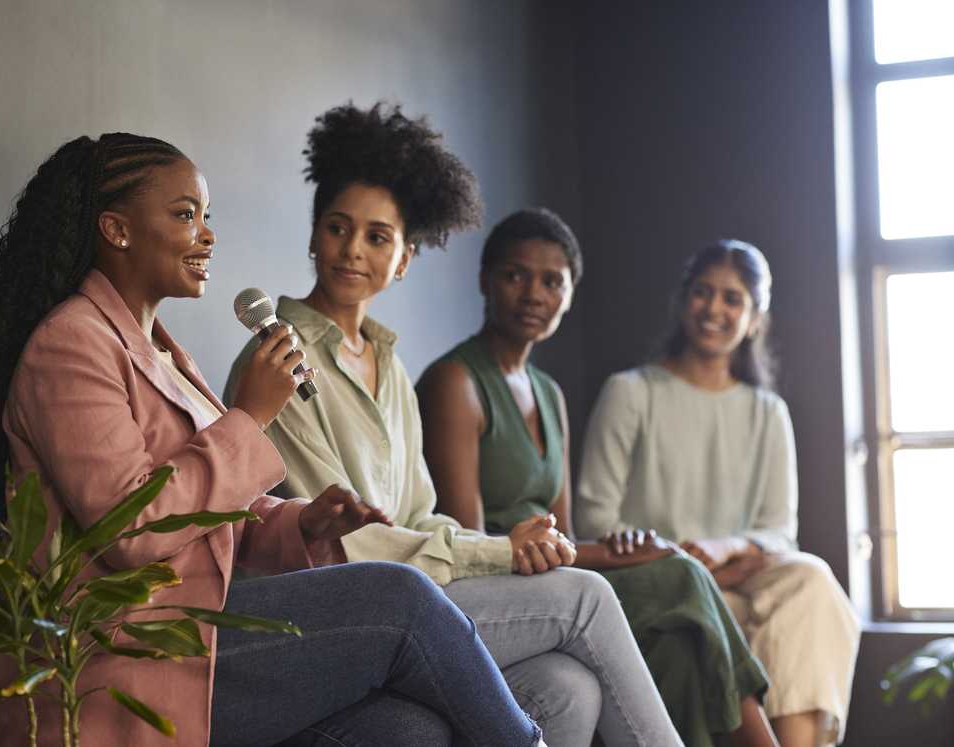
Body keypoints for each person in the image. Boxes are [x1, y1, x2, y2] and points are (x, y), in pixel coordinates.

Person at [0, 132, 548, 746]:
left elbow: (202, 510)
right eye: (185, 215)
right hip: (121, 657)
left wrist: (302, 525)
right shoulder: (70, 343)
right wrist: (249, 418)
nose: (207, 235)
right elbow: (129, 529)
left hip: (190, 635)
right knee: (403, 599)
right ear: (116, 229)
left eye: (207, 216)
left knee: (407, 731)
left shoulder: (161, 351)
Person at [226, 103, 683, 746]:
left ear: (405, 258)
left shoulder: (389, 363)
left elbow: (418, 516)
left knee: (565, 688)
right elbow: (341, 546)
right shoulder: (277, 358)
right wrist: (499, 551)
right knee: (585, 598)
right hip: (340, 614)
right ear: (312, 235)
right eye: (337, 228)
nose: (353, 250)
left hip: (414, 592)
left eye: (378, 237)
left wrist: (512, 544)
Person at [417, 208, 777, 747]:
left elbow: (560, 533)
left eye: (552, 281)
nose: (534, 294)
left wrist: (619, 546)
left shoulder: (548, 392)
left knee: (678, 637)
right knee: (678, 572)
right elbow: (470, 545)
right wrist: (615, 555)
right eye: (516, 275)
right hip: (492, 580)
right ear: (485, 280)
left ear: (569, 295)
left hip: (550, 573)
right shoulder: (455, 381)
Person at [574, 240, 860, 747]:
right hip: (660, 586)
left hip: (740, 576)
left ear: (753, 318)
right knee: (781, 617)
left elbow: (779, 530)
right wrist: (684, 563)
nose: (715, 308)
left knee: (812, 582)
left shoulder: (768, 412)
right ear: (684, 301)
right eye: (704, 292)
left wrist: (726, 548)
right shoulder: (630, 392)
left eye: (733, 298)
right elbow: (597, 518)